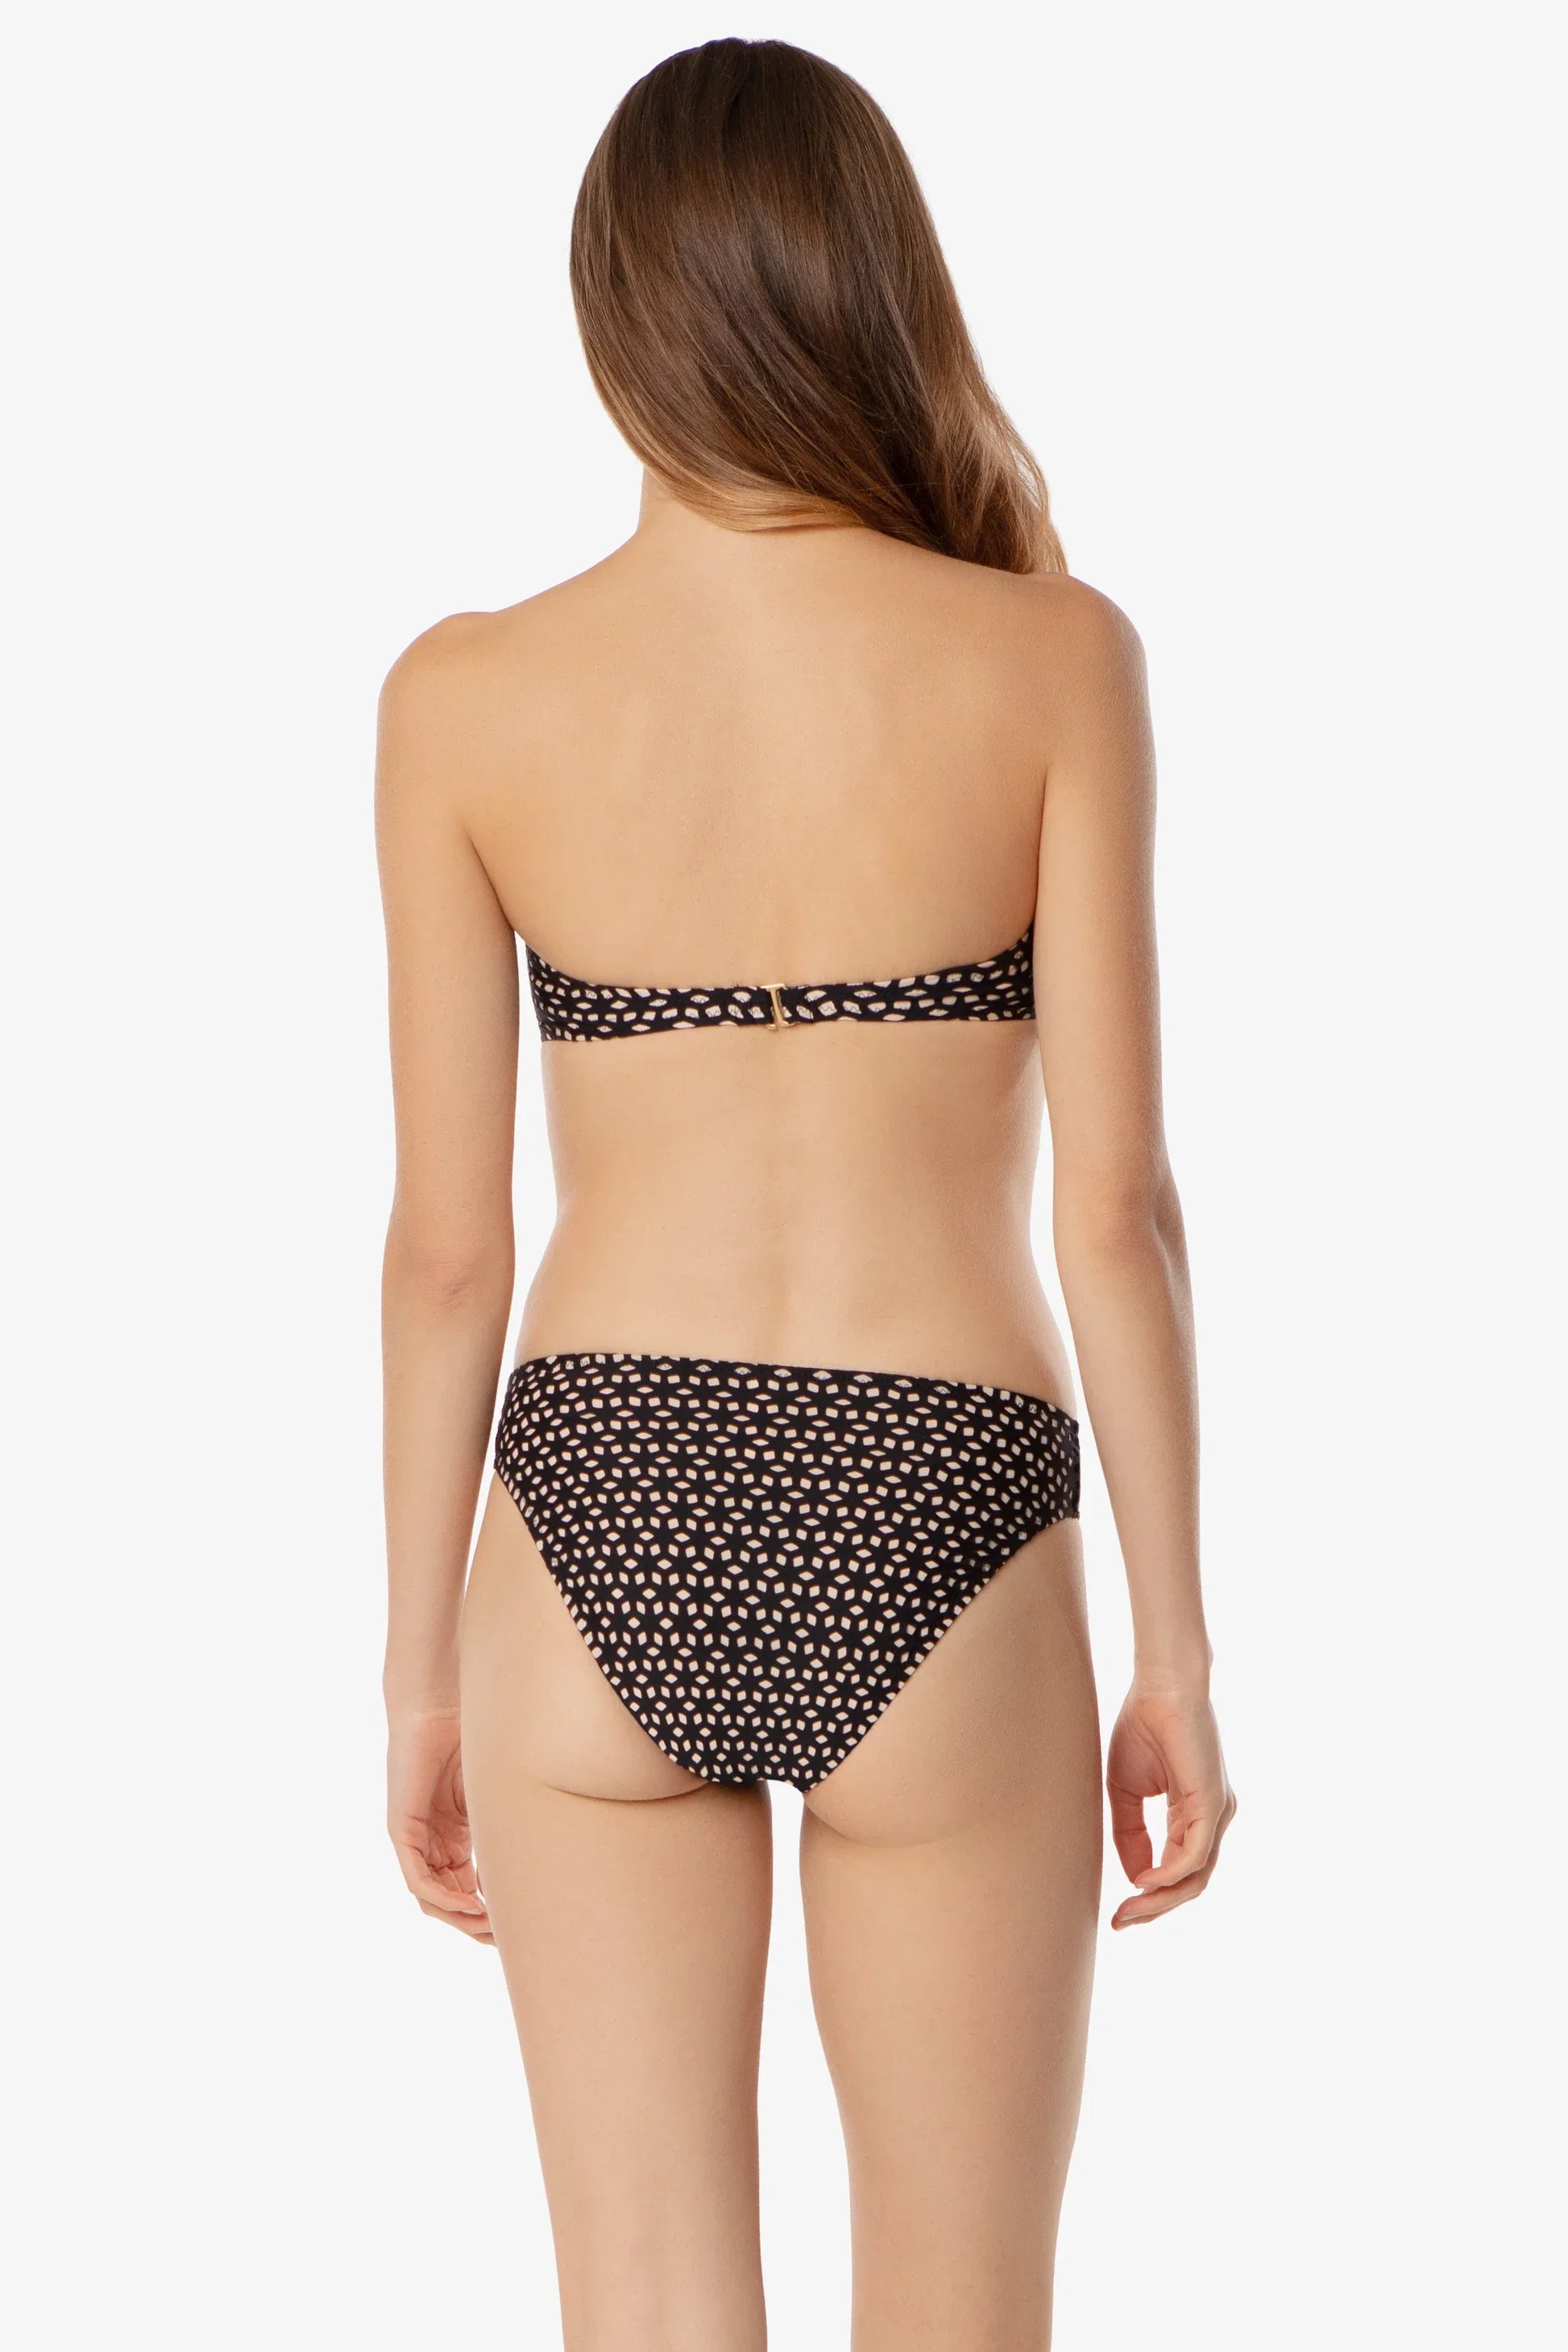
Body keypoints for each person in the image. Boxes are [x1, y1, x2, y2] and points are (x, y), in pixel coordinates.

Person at [375, 36, 1233, 2352]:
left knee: (644, 2314)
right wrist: (1173, 1650)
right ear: (874, 286)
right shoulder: (1053, 659)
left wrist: (417, 1670)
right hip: (942, 1495)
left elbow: (446, 1253)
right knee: (964, 2316)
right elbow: (1118, 1211)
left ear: (613, 311)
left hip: (595, 1504)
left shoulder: (467, 697)